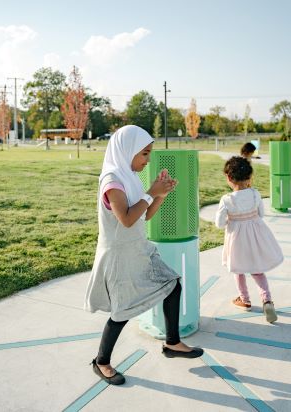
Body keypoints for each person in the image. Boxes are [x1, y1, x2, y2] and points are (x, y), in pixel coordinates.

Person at [84, 125, 203, 386]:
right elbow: (126, 219)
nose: (147, 160)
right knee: (122, 311)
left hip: (139, 248)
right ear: (127, 151)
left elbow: (144, 215)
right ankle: (101, 362)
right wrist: (152, 192)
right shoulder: (112, 180)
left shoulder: (129, 176)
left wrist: (161, 194)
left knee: (172, 284)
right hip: (119, 255)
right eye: (144, 154)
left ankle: (172, 343)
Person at [215, 156, 284, 322]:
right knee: (257, 270)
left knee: (238, 270)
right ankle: (267, 300)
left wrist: (230, 219)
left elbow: (219, 224)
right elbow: (261, 214)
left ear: (229, 178)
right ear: (249, 177)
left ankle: (244, 299)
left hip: (237, 241)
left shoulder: (227, 200)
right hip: (255, 238)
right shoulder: (255, 194)